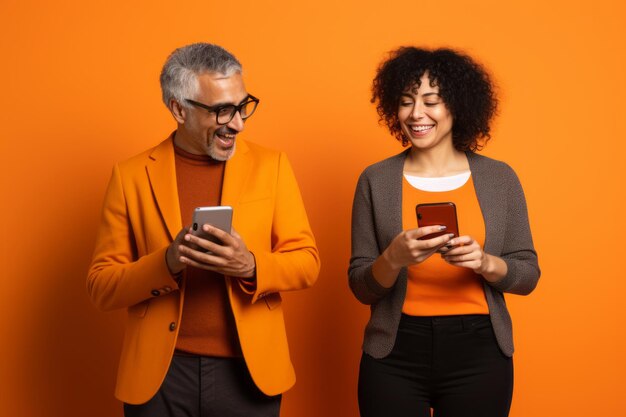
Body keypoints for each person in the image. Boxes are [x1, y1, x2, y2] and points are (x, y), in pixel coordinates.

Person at [87, 43, 320, 417]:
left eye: (243, 106)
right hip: (160, 377)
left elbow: (307, 263)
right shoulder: (129, 176)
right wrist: (167, 261)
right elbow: (101, 286)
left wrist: (249, 266)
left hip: (249, 372)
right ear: (179, 109)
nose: (238, 123)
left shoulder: (271, 165)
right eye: (222, 111)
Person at [349, 47, 540, 417]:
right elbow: (360, 286)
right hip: (394, 351)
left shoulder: (500, 179)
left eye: (431, 101)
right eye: (405, 102)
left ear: (459, 105)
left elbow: (528, 274)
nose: (415, 114)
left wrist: (485, 263)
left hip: (481, 352)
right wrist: (394, 258)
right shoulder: (375, 179)